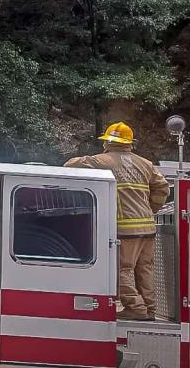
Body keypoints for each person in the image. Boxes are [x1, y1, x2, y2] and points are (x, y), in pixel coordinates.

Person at [64, 122, 169, 320]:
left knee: (121, 269)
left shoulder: (103, 160)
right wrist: (150, 209)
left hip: (125, 228)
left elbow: (70, 165)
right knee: (144, 268)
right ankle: (149, 309)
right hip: (147, 227)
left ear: (107, 143)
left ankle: (135, 308)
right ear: (130, 143)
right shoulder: (146, 164)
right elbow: (163, 188)